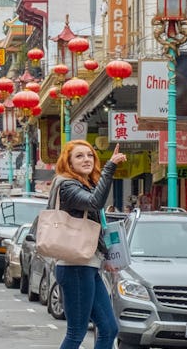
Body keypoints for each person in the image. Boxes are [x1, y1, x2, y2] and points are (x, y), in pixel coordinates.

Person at [52, 140, 126, 349]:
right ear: (69, 162)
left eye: (90, 155)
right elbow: (95, 202)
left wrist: (106, 256)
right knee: (76, 332)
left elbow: (97, 224)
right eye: (79, 156)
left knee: (109, 328)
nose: (86, 160)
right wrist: (109, 167)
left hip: (89, 265)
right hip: (74, 266)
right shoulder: (67, 186)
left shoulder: (86, 185)